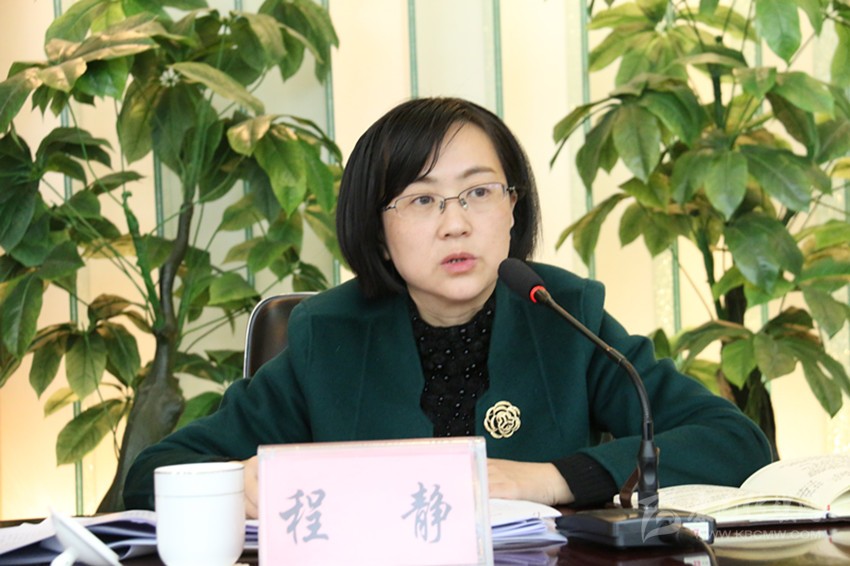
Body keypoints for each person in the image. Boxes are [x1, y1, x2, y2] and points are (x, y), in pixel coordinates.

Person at [123, 97, 772, 516]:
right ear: (378, 229)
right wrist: (238, 483)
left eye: (479, 193)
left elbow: (734, 442)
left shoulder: (563, 313)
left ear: (513, 208)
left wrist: (550, 479)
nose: (456, 223)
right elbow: (150, 477)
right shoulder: (328, 335)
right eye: (423, 200)